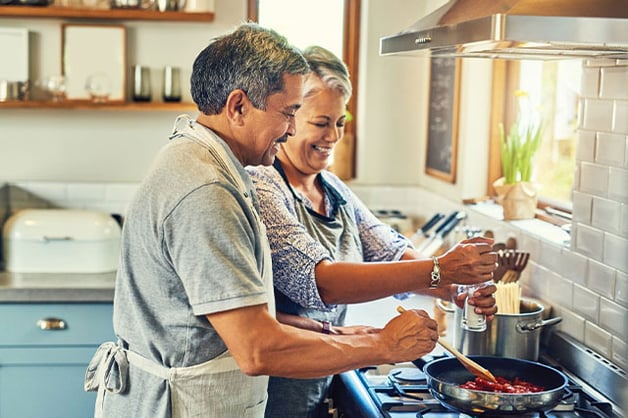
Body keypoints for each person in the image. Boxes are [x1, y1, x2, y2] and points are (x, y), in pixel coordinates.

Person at [83, 23, 446, 418]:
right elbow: (258, 348)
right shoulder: (206, 191)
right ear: (238, 106)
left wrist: (335, 332)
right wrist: (384, 347)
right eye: (289, 113)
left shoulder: (208, 163)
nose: (291, 129)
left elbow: (230, 316)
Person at [247, 45, 498, 418]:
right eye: (321, 122)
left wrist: (457, 288)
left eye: (341, 122)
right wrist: (442, 269)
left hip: (324, 380)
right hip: (272, 393)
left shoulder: (332, 189)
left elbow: (391, 251)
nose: (333, 136)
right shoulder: (262, 183)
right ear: (291, 118)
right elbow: (317, 282)